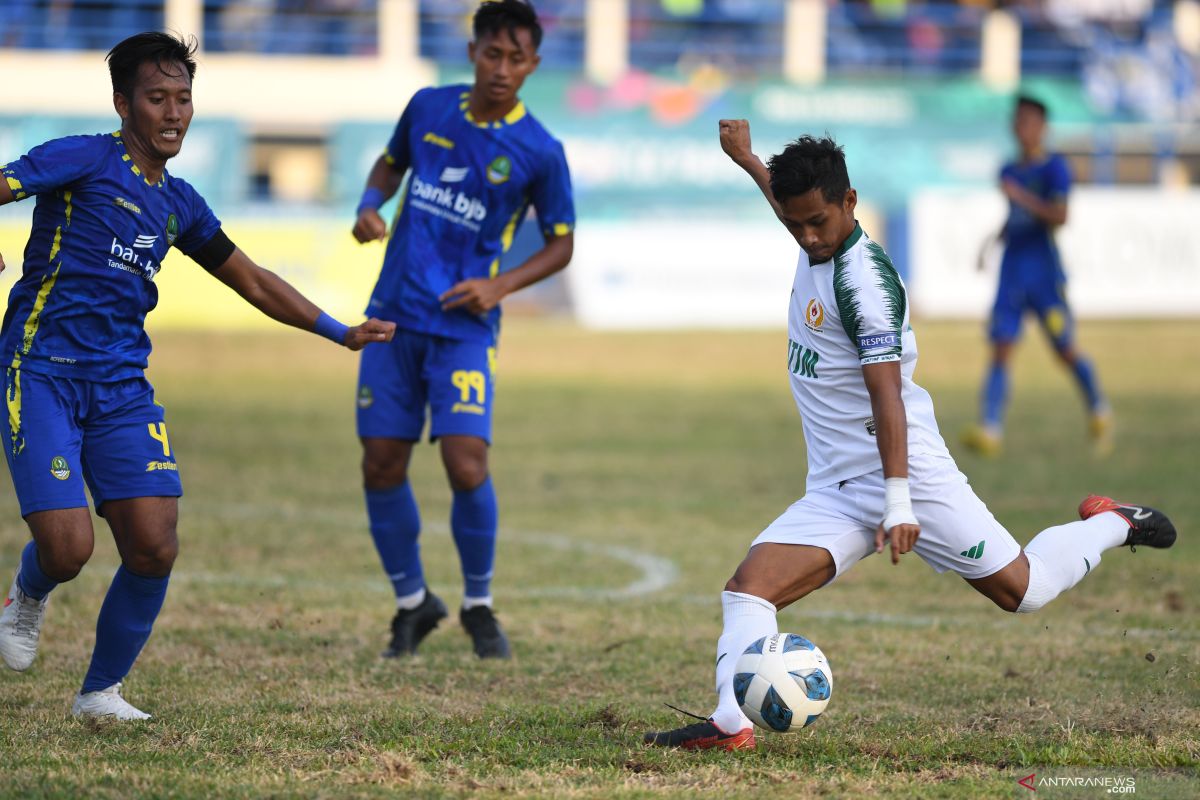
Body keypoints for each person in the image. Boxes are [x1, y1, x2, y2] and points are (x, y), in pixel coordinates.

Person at [642, 121, 1176, 751]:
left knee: (1023, 591)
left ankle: (1113, 520)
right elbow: (789, 203)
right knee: (747, 591)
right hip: (839, 487)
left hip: (911, 476)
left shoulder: (864, 284)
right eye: (794, 225)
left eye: (817, 222)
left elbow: (887, 396)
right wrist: (749, 162)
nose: (807, 237)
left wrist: (899, 502)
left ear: (850, 202)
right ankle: (731, 724)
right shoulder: (811, 231)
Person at [0, 32, 395, 720]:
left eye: (183, 97)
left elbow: (253, 280)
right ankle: (27, 594)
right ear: (124, 103)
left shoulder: (178, 202)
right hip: (39, 372)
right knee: (68, 549)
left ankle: (99, 694)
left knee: (154, 544)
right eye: (158, 97)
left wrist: (341, 331)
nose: (174, 112)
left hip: (121, 387)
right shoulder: (84, 157)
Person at [350, 0, 574, 660]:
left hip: (465, 329)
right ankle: (412, 603)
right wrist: (370, 204)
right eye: (492, 54)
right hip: (392, 316)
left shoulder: (540, 150)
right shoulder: (428, 108)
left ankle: (479, 604)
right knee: (380, 462)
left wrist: (500, 285)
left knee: (465, 461)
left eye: (517, 59)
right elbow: (390, 164)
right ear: (472, 51)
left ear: (533, 65)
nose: (502, 69)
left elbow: (561, 244)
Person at [962, 95, 1110, 458]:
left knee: (1065, 350)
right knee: (1000, 349)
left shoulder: (1054, 170)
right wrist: (991, 244)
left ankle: (1098, 408)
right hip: (1013, 270)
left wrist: (1022, 197)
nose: (1021, 128)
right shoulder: (1008, 170)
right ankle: (990, 429)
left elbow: (1060, 217)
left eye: (1028, 121)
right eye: (1017, 121)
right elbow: (1014, 217)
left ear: (1043, 127)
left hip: (1043, 272)